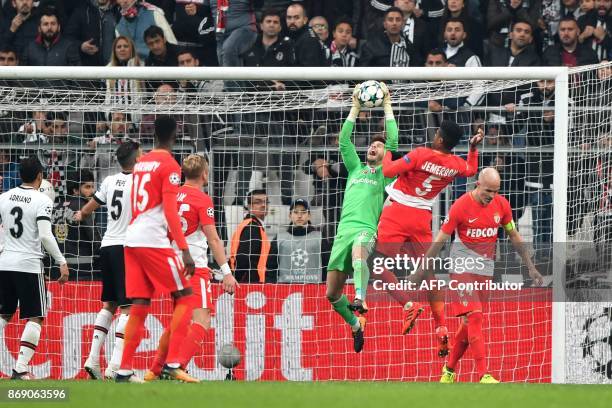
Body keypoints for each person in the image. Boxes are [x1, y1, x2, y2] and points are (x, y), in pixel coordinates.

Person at [424, 168, 543, 384]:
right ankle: (483, 374)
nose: (492, 196)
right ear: (477, 184)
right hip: (461, 265)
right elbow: (441, 238)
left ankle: (449, 370)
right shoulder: (460, 206)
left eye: (496, 191)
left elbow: (514, 236)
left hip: (485, 268)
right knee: (476, 316)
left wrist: (531, 266)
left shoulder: (502, 205)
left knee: (470, 323)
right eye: (488, 190)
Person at [375, 120, 483, 356]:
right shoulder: (455, 164)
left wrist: (387, 149)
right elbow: (472, 170)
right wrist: (473, 149)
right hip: (422, 218)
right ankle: (441, 327)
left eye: (436, 133)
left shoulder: (421, 154)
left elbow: (387, 171)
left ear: (440, 139)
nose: (434, 135)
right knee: (428, 273)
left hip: (397, 211)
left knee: (376, 265)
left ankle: (408, 305)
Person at [116, 115, 197, 383]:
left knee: (139, 304)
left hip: (132, 238)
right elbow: (171, 211)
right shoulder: (170, 165)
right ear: (175, 134)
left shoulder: (142, 163)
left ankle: (124, 370)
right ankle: (173, 362)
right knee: (185, 296)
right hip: (152, 240)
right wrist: (184, 249)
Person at [145, 154, 237, 379]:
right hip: (193, 267)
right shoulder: (202, 199)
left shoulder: (169, 195)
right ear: (205, 174)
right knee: (202, 318)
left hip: (169, 266)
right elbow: (214, 239)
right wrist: (227, 273)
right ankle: (176, 365)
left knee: (179, 319)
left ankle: (154, 370)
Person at [326, 82, 398, 353]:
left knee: (360, 254)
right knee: (331, 294)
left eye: (379, 146)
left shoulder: (385, 174)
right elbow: (344, 141)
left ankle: (360, 298)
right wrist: (355, 108)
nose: (375, 147)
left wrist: (387, 105)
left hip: (366, 229)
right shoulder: (355, 168)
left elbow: (393, 141)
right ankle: (356, 323)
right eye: (372, 144)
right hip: (343, 231)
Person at [75, 141, 141, 380]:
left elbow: (92, 204)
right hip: (127, 248)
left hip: (108, 245)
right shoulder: (139, 183)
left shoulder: (110, 180)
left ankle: (93, 359)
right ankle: (116, 366)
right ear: (136, 159)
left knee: (109, 304)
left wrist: (81, 213)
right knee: (128, 308)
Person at [0, 156, 69, 380]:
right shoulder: (42, 200)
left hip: (5, 263)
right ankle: (20, 368)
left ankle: (20, 369)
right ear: (40, 176)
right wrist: (61, 261)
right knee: (36, 317)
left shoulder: (4, 198)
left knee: (4, 314)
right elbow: (45, 235)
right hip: (28, 265)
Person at [268, 198, 330, 283]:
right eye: (296, 212)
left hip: (314, 291)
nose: (299, 216)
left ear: (309, 215)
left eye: (303, 212)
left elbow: (327, 266)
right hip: (285, 290)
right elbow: (271, 268)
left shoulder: (319, 238)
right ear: (290, 215)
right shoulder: (279, 239)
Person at [61, 169, 101, 280]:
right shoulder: (84, 208)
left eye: (92, 187)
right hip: (84, 269)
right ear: (75, 190)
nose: (92, 191)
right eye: (87, 187)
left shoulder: (58, 206)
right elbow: (95, 239)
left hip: (59, 268)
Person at [229, 189, 271, 283]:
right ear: (249, 206)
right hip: (250, 283)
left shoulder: (252, 225)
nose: (263, 205)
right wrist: (238, 280)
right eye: (258, 202)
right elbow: (242, 259)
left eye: (266, 202)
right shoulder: (252, 228)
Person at [65, 0, 120, 66]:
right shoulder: (81, 11)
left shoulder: (118, 11)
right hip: (89, 69)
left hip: (114, 68)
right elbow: (68, 38)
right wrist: (81, 46)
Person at [286, 2, 329, 66]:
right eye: (289, 17)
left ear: (305, 20)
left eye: (296, 17)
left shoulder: (309, 40)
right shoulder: (296, 36)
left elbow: (309, 73)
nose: (292, 21)